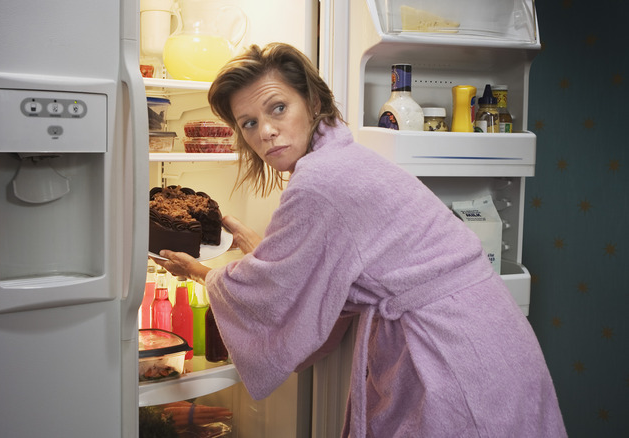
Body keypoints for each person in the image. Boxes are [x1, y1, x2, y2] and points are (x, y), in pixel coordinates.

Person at [153, 43, 566, 437]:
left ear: (313, 102)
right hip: (487, 336)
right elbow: (318, 265)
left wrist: (200, 273)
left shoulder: (319, 181)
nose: (266, 132)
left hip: (453, 355)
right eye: (249, 123)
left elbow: (273, 291)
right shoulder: (341, 158)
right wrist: (255, 245)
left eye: (278, 108)